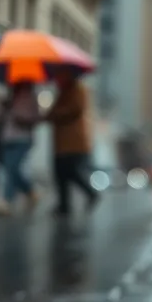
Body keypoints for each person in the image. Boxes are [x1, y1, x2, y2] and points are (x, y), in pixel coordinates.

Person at [44, 71, 98, 216]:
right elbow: (52, 112)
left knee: (70, 171)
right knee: (60, 174)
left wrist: (56, 114)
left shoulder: (78, 90)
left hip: (74, 142)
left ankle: (90, 193)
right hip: (61, 142)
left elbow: (75, 109)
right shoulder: (62, 93)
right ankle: (64, 205)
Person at [0, 82, 41, 215]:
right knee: (10, 169)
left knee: (12, 168)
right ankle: (29, 190)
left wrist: (22, 119)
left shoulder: (30, 98)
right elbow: (0, 120)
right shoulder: (9, 99)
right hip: (7, 138)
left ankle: (6, 200)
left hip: (22, 139)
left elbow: (36, 119)